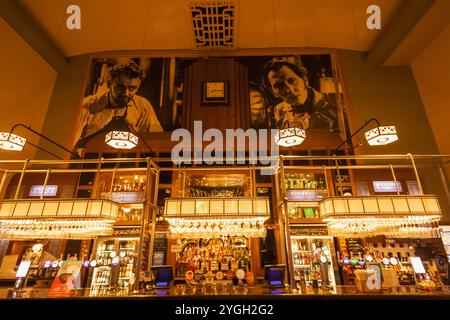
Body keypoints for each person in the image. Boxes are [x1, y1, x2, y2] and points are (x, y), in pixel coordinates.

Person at [74, 60, 163, 149]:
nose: (126, 93)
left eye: (132, 88)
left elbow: (158, 142)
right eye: (120, 88)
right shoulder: (87, 105)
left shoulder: (143, 107)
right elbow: (71, 144)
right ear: (109, 84)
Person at [263, 57, 338, 131]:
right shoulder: (280, 110)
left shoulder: (333, 108)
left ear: (304, 79)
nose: (289, 90)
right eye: (279, 86)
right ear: (273, 92)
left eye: (292, 80)